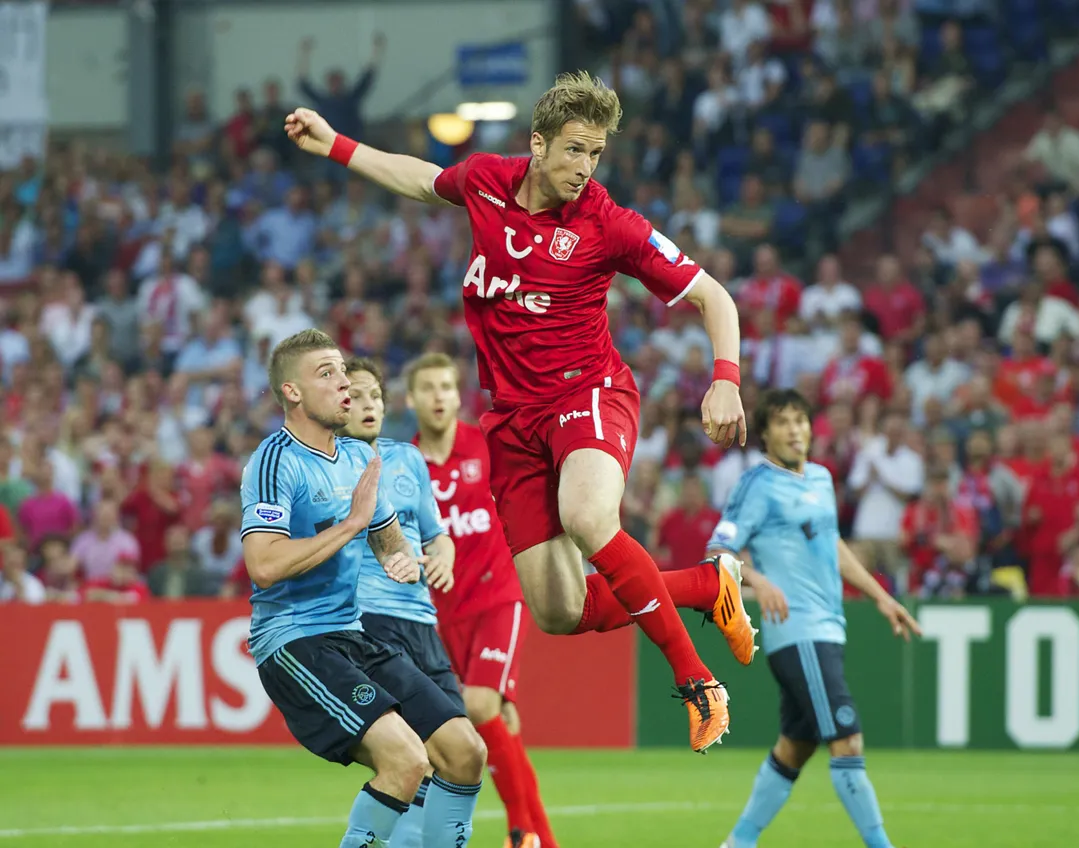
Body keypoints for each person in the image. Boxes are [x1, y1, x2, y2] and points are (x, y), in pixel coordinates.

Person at [286, 71, 754, 752]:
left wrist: (725, 379)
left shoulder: (608, 223)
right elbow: (420, 178)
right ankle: (707, 584)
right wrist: (337, 146)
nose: (584, 168)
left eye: (595, 153)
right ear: (538, 144)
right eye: (573, 150)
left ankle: (696, 679)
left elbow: (716, 297)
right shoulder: (485, 181)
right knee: (560, 611)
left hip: (587, 393)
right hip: (511, 421)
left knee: (589, 519)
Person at [238, 330, 498, 848]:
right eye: (328, 374)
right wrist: (352, 525)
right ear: (292, 392)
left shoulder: (359, 459)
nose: (345, 383)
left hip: (354, 634)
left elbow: (385, 538)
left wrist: (406, 559)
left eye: (344, 373)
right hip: (295, 640)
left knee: (464, 752)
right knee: (406, 763)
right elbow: (265, 565)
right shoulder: (275, 461)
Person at [707, 389, 930, 848]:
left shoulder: (823, 479)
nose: (794, 430)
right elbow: (718, 548)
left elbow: (833, 548)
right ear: (764, 433)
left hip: (827, 628)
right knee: (847, 741)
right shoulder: (756, 484)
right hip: (797, 633)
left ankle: (738, 847)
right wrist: (757, 580)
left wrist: (881, 596)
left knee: (796, 746)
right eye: (783, 422)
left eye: (801, 420)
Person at [404, 352, 567, 848]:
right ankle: (545, 843)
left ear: (458, 395)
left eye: (446, 386)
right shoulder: (404, 463)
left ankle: (522, 833)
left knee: (477, 706)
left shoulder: (486, 444)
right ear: (410, 399)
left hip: (499, 597)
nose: (437, 396)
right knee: (501, 721)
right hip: (439, 614)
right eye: (427, 387)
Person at [329, 356, 472, 848]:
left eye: (373, 397)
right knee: (417, 757)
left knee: (454, 758)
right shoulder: (327, 468)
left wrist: (442, 561)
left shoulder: (408, 459)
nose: (366, 405)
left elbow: (438, 537)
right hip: (371, 623)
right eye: (354, 396)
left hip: (423, 625)